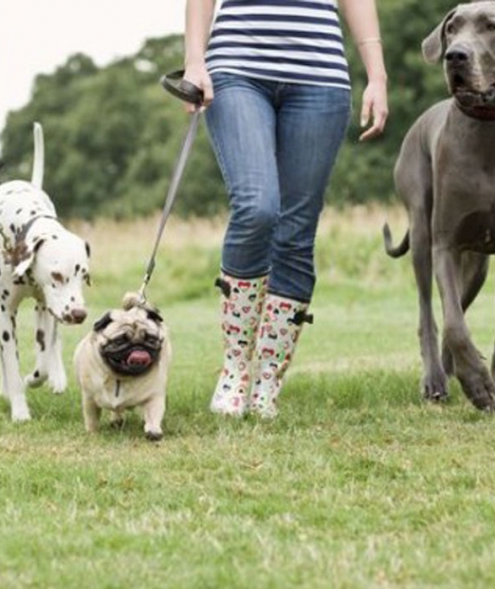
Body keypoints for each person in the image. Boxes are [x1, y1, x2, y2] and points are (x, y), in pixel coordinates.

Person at [183, 0, 388, 418]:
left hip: (320, 77)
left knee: (296, 232)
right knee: (257, 206)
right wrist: (193, 59)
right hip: (237, 68)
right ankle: (236, 368)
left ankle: (267, 379)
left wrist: (377, 75)